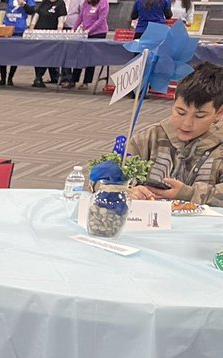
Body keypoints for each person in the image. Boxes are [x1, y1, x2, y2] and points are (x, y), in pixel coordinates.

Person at [130, 62, 223, 206]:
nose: (186, 123)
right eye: (180, 112)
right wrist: (127, 190)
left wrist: (189, 194)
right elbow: (102, 179)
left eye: (200, 116)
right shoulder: (148, 138)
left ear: (219, 113)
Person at [60, 0, 109, 89]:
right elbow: (81, 17)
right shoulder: (86, 3)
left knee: (90, 57)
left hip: (98, 33)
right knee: (79, 56)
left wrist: (89, 30)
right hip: (85, 33)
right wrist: (73, 29)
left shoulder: (103, 3)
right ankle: (73, 80)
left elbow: (101, 19)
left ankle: (86, 81)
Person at [30, 0, 67, 86]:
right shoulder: (44, 2)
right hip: (39, 34)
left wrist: (59, 31)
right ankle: (38, 77)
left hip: (51, 34)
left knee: (47, 56)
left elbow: (61, 19)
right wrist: (31, 28)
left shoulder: (60, 3)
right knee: (39, 56)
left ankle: (40, 77)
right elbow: (36, 15)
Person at [0, 0, 30, 85]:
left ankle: (10, 78)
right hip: (7, 28)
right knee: (3, 54)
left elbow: (31, 11)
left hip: (19, 29)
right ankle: (2, 78)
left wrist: (24, 4)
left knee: (15, 55)